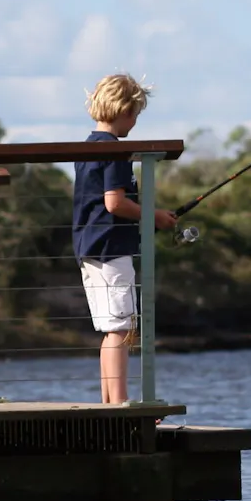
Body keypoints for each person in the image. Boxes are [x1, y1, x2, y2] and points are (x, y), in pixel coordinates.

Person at [72, 73, 176, 404]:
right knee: (122, 328)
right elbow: (114, 202)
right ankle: (119, 404)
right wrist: (154, 215)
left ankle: (109, 401)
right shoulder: (116, 150)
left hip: (89, 247)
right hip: (111, 248)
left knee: (111, 328)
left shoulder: (87, 148)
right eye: (136, 114)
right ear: (125, 110)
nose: (135, 123)